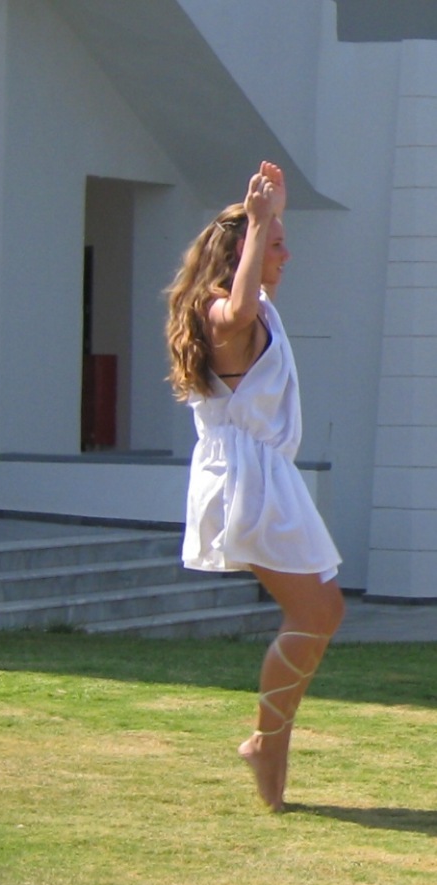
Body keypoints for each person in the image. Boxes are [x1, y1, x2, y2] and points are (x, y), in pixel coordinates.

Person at [165, 161, 344, 812]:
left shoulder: (254, 307)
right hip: (245, 481)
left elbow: (251, 299)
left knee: (323, 611)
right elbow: (237, 308)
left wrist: (269, 216)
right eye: (275, 244)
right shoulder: (222, 313)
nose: (285, 254)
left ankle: (271, 741)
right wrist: (260, 218)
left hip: (267, 475)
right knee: (315, 612)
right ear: (242, 253)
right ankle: (268, 742)